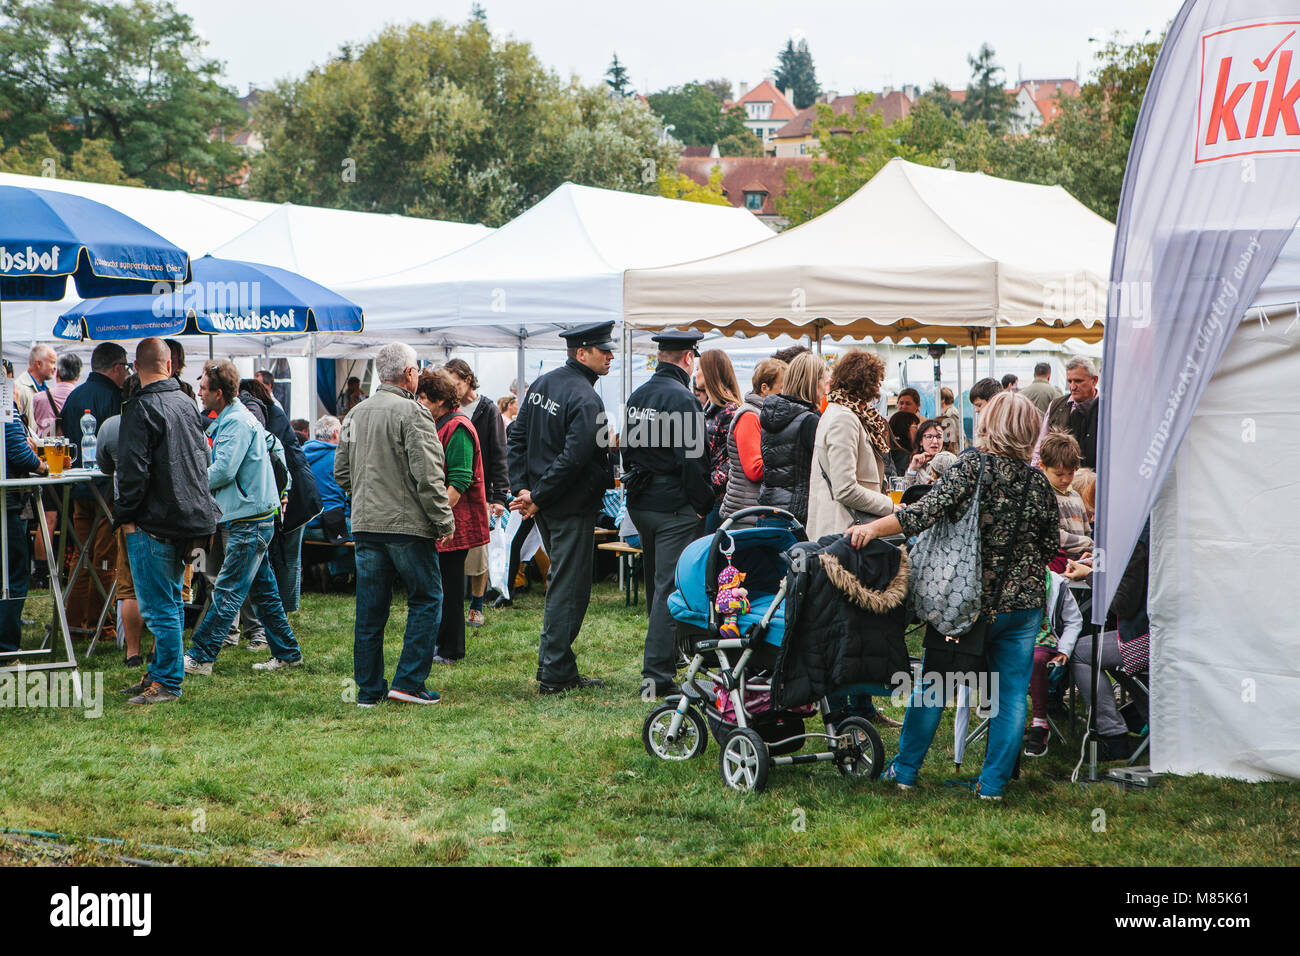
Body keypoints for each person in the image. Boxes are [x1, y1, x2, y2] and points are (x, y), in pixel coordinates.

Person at [846, 390, 1060, 799]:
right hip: (1022, 606)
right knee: (1011, 697)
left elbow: (924, 511)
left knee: (933, 687)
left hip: (966, 602)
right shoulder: (1037, 481)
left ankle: (905, 772)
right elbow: (1050, 546)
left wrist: (872, 528)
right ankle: (992, 786)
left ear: (989, 424)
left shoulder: (973, 466)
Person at [337, 343, 455, 707]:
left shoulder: (355, 414)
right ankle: (408, 682)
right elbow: (428, 475)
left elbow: (341, 472)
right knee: (427, 598)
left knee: (370, 610)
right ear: (408, 373)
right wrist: (443, 520)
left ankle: (369, 691)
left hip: (367, 524)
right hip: (406, 527)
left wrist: (368, 496)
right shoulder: (413, 413)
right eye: (416, 369)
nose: (419, 375)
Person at [507, 322, 615, 695]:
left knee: (563, 585)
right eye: (604, 350)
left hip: (548, 503)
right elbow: (574, 458)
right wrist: (535, 495)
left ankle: (560, 666)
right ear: (582, 353)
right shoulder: (586, 398)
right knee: (569, 589)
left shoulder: (542, 384)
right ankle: (554, 672)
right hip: (565, 505)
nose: (611, 356)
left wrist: (526, 488)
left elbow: (517, 438)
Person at [114, 339, 221, 705]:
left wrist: (125, 517)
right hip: (190, 518)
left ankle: (167, 682)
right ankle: (160, 674)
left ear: (134, 366)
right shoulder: (186, 402)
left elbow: (132, 473)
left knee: (160, 606)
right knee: (172, 601)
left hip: (155, 520)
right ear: (170, 363)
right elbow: (202, 457)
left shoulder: (141, 407)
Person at [183, 360, 304, 677]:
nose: (199, 393)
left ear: (218, 393)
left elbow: (223, 470)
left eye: (204, 389)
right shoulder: (234, 418)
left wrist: (191, 485)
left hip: (249, 519)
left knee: (227, 590)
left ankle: (201, 656)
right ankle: (288, 653)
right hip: (253, 516)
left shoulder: (236, 422)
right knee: (264, 592)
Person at [804, 349, 901, 730]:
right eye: (876, 381)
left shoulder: (852, 415)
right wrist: (892, 508)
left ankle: (862, 706)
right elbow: (845, 488)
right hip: (842, 534)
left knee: (861, 624)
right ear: (864, 381)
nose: (880, 389)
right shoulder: (843, 419)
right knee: (846, 626)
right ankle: (846, 710)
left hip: (857, 532)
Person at [624, 330, 715, 698]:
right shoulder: (684, 399)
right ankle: (657, 676)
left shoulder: (638, 395)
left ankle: (667, 656)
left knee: (656, 585)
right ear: (688, 359)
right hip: (672, 503)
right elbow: (692, 461)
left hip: (641, 501)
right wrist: (703, 503)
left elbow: (626, 450)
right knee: (667, 588)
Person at [418, 369, 489, 663]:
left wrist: (437, 517)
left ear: (439, 399)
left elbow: (459, 481)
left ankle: (451, 650)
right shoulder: (441, 424)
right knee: (441, 588)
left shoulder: (458, 427)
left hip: (454, 523)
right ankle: (441, 645)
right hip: (446, 520)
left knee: (448, 589)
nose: (419, 402)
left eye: (422, 397)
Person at [61, 342, 130, 639]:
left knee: (80, 557)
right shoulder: (116, 397)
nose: (126, 373)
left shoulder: (74, 396)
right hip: (105, 490)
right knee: (104, 559)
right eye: (125, 367)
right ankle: (100, 625)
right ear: (116, 368)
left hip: (77, 487)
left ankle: (74, 623)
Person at [443, 358, 507, 628]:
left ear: (467, 379)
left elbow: (499, 453)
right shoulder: (449, 408)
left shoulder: (487, 409)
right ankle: (453, 603)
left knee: (479, 550)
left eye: (454, 382)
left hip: (482, 488)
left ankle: (477, 605)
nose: (451, 388)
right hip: (454, 487)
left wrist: (499, 496)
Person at [95, 374, 147, 667]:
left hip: (127, 513)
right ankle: (160, 651)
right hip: (163, 516)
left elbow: (103, 466)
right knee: (167, 586)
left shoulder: (111, 426)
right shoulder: (166, 419)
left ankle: (132, 652)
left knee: (129, 585)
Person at [757, 351, 827, 527]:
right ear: (813, 383)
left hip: (769, 510)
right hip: (797, 515)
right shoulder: (809, 421)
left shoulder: (771, 414)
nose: (826, 389)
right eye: (824, 381)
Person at [1, 408, 48, 656]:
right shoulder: (5, 403)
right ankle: (7, 649)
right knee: (12, 576)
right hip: (6, 501)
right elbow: (18, 451)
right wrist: (43, 467)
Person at [1024, 568, 1084, 758]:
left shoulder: (1055, 582)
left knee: (1036, 660)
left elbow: (1074, 620)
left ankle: (1040, 723)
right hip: (1010, 638)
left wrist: (1064, 649)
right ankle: (996, 713)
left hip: (1042, 639)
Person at [719, 358, 786, 526]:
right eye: (782, 387)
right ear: (765, 388)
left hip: (753, 510)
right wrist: (788, 461)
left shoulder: (763, 414)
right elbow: (754, 470)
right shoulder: (750, 416)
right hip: (745, 513)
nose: (786, 393)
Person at [698, 349, 743, 534]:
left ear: (711, 372)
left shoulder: (730, 411)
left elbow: (734, 460)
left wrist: (706, 487)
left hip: (719, 501)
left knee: (712, 557)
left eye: (699, 368)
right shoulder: (709, 408)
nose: (696, 373)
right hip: (709, 498)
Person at [1035, 356, 1099, 469]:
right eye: (1069, 381)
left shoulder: (1105, 408)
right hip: (1060, 477)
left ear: (1094, 380)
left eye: (1078, 381)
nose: (1073, 386)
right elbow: (1040, 445)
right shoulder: (1056, 405)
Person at [1039, 430, 1093, 561]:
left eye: (1070, 473)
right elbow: (1054, 534)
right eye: (1059, 474)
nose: (1065, 479)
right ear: (1042, 466)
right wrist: (1086, 543)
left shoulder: (1075, 496)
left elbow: (1087, 531)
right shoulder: (1043, 495)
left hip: (1079, 563)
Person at [32, 352, 80, 438]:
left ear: (57, 373)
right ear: (78, 376)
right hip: (71, 449)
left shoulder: (38, 398)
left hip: (44, 449)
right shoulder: (81, 398)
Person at [903, 417, 959, 488]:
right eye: (929, 437)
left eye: (939, 437)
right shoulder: (918, 462)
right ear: (920, 441)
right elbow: (906, 492)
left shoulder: (949, 460)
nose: (935, 441)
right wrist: (912, 468)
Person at [14, 344, 56, 433]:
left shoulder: (48, 390)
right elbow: (16, 426)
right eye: (52, 362)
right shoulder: (20, 389)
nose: (55, 367)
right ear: (38, 364)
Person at [887, 388, 921, 475]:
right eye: (901, 403)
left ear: (917, 405)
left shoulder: (922, 423)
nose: (904, 406)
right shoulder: (890, 420)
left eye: (908, 404)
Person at [938, 386, 960, 452]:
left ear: (943, 400)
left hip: (952, 448)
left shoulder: (951, 413)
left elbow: (956, 432)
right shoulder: (946, 412)